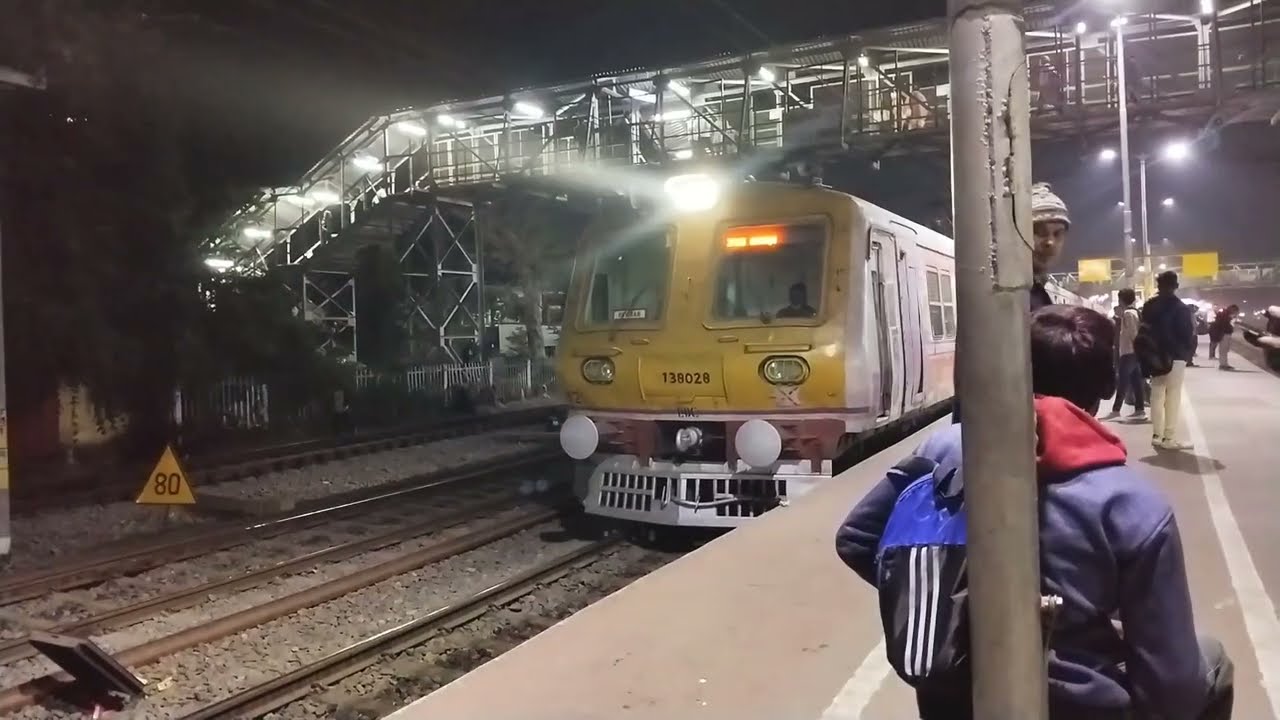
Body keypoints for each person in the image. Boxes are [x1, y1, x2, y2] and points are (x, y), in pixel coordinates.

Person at [835, 305, 1234, 720]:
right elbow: (1169, 680)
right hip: (1084, 705)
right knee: (1213, 661)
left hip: (951, 698)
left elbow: (857, 539)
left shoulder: (945, 449)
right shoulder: (1131, 503)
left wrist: (946, 602)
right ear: (1104, 387)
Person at [952, 182, 1066, 423]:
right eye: (1039, 231)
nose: (1049, 243)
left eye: (1058, 234)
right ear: (1017, 232)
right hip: (1007, 431)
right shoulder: (1009, 294)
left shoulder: (1032, 291)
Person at [1142, 271, 1196, 450]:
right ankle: (1169, 438)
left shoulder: (1149, 305)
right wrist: (1186, 353)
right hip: (1176, 357)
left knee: (1156, 395)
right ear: (1176, 286)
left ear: (1158, 285)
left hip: (1155, 356)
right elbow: (1187, 335)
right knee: (1172, 397)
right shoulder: (1180, 307)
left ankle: (1156, 435)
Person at [1103, 288, 1145, 420]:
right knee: (1136, 382)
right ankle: (1140, 410)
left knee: (1122, 382)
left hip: (1129, 352)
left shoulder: (1128, 314)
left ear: (1121, 299)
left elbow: (1133, 334)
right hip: (1134, 352)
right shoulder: (1134, 312)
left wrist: (1136, 349)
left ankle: (1116, 410)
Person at [1208, 304, 1239, 370]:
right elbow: (1224, 325)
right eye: (1236, 311)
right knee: (1223, 350)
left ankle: (1224, 364)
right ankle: (1223, 365)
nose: (1236, 313)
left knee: (1224, 350)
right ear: (1233, 310)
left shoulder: (1224, 314)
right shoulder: (1225, 315)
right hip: (1224, 334)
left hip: (1224, 334)